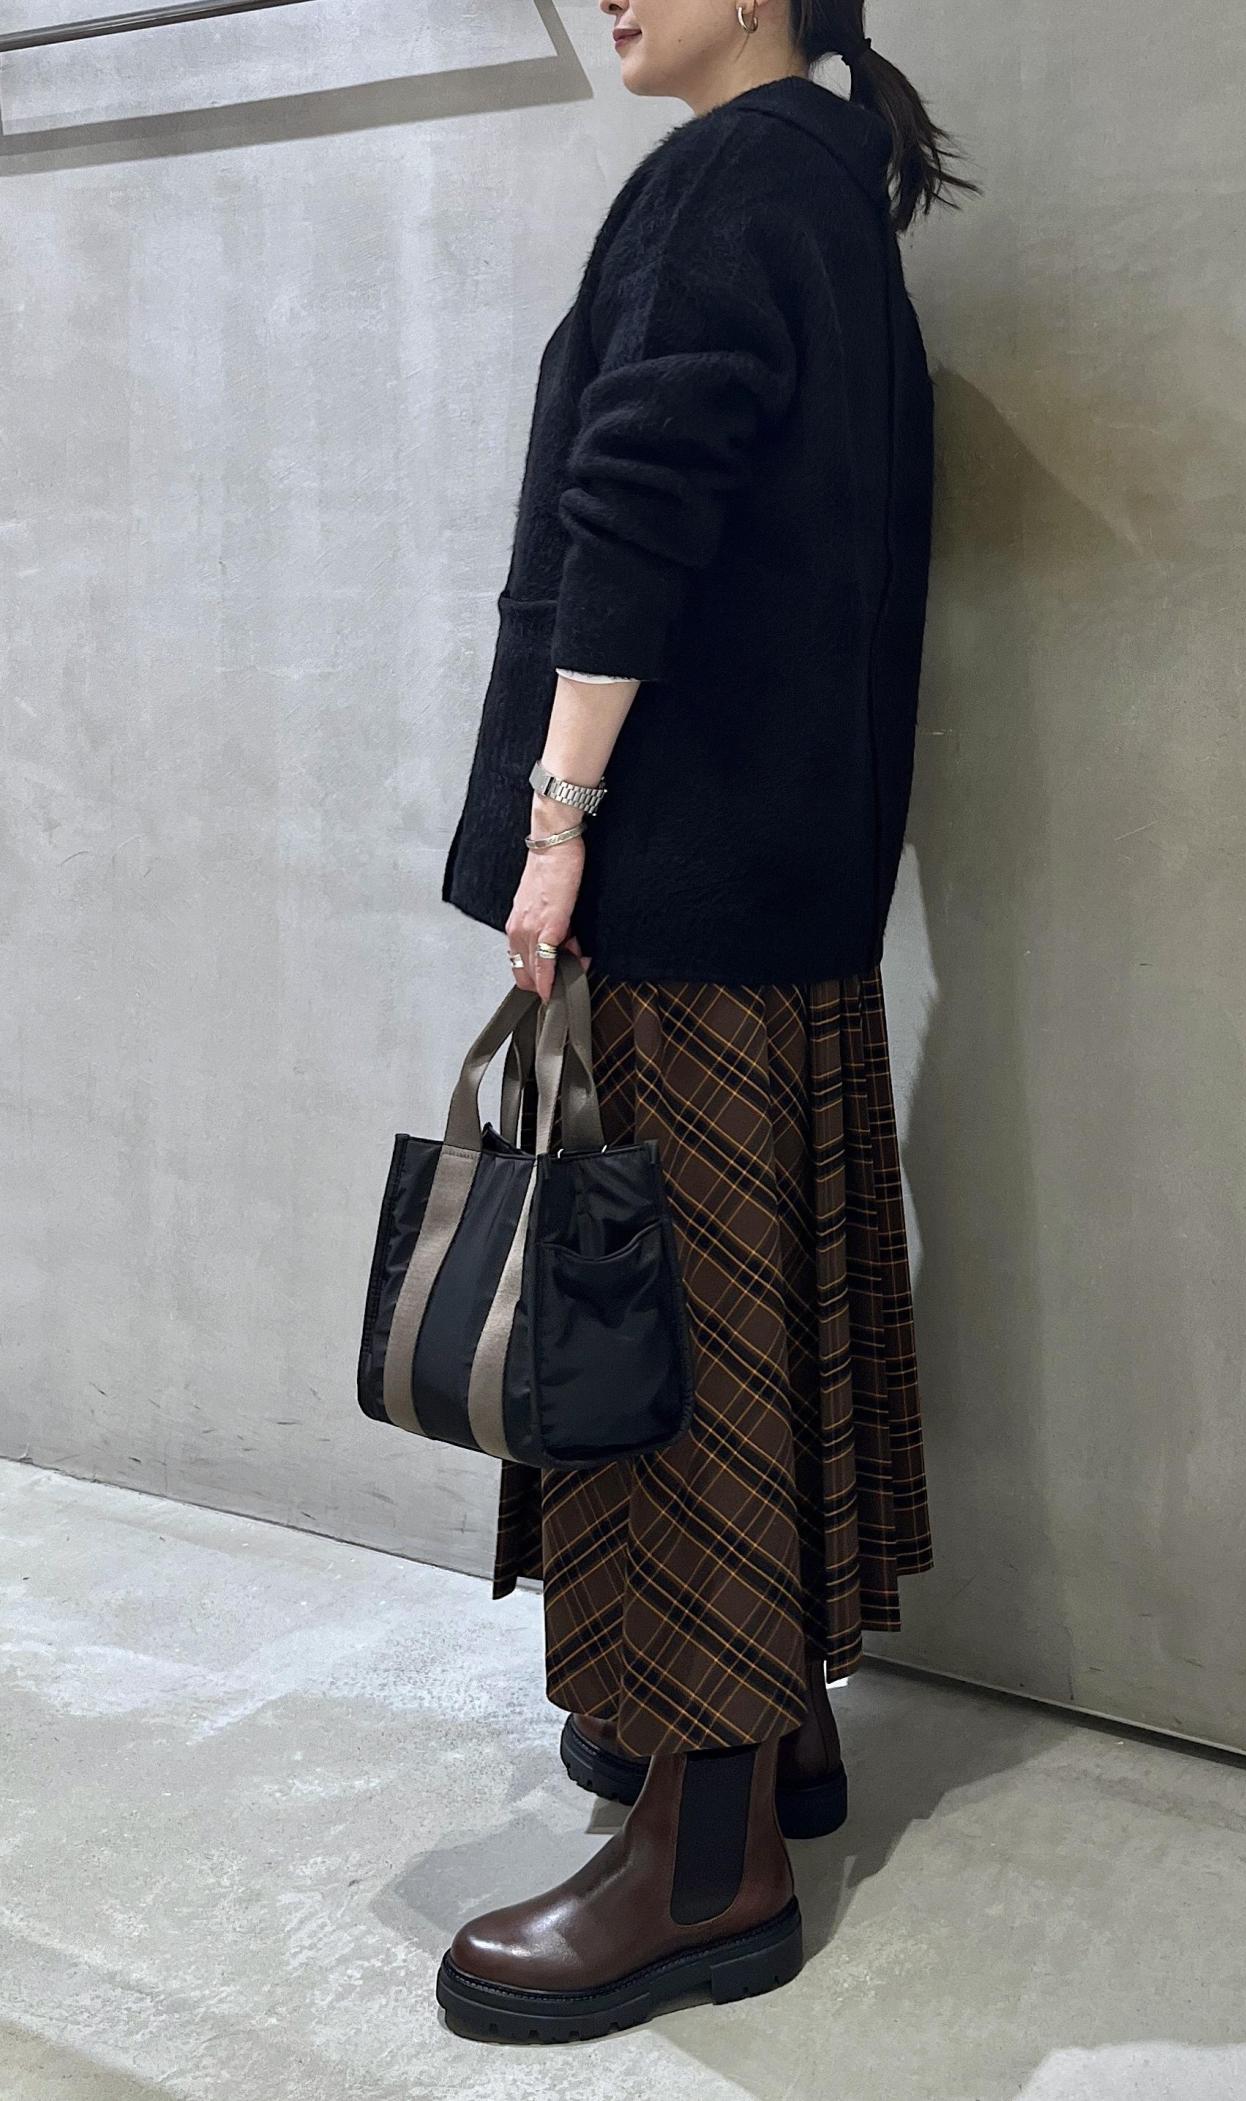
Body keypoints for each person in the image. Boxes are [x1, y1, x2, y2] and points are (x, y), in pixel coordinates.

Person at [434, 0, 979, 2044]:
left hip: (683, 877)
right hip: (788, 887)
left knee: (671, 1344)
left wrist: (557, 817)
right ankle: (766, 1738)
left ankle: (704, 1866)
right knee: (746, 1314)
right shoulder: (828, 190)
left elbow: (639, 497)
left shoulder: (734, 179)